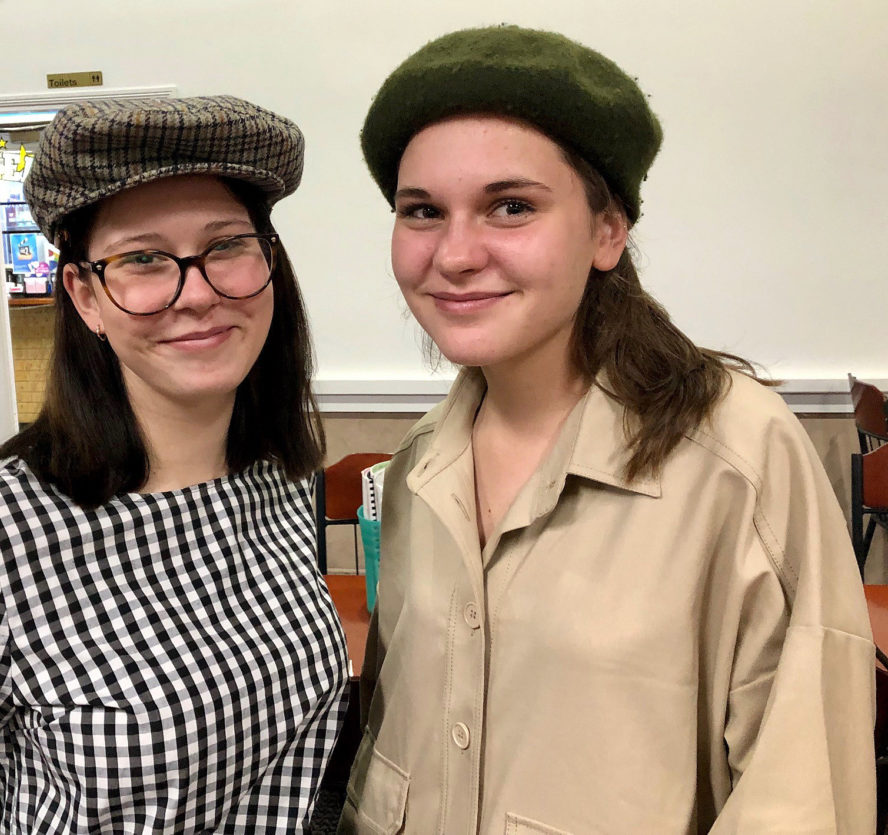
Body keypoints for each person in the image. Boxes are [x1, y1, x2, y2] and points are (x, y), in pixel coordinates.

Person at [339, 26, 875, 834]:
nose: (453, 253)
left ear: (606, 232)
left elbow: (799, 795)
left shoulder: (737, 459)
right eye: (422, 212)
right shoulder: (419, 466)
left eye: (510, 206)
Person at [0, 95, 348, 833]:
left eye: (226, 245)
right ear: (85, 295)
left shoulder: (279, 481)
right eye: (144, 259)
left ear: (269, 264)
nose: (198, 293)